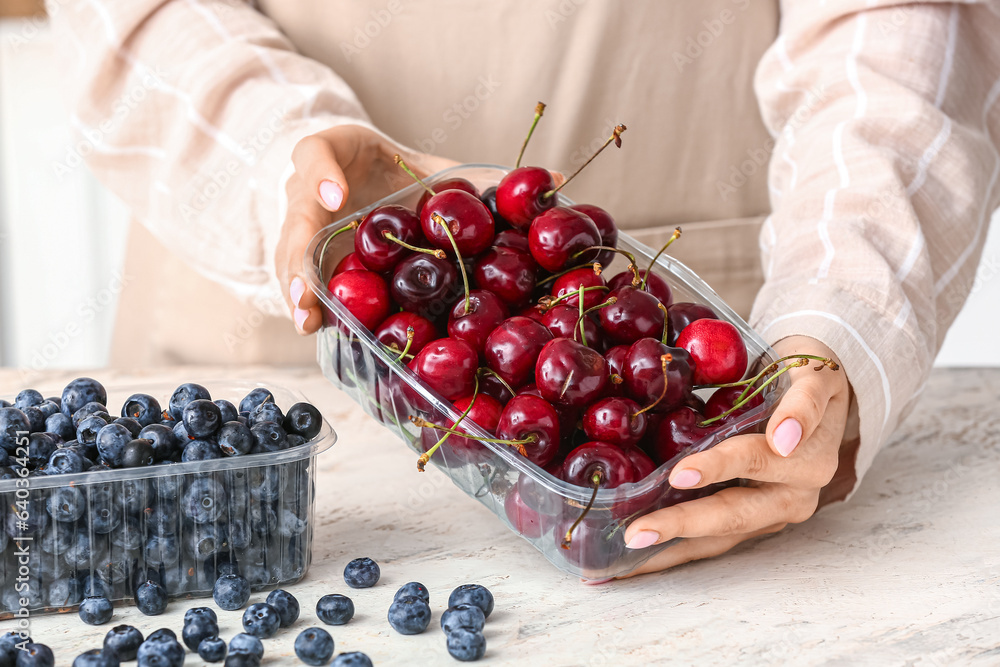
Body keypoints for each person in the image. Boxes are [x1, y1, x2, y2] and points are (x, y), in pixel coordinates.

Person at [52, 0, 1000, 577]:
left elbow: (899, 33)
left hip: (672, 395)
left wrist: (836, 306)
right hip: (268, 345)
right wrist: (279, 159)